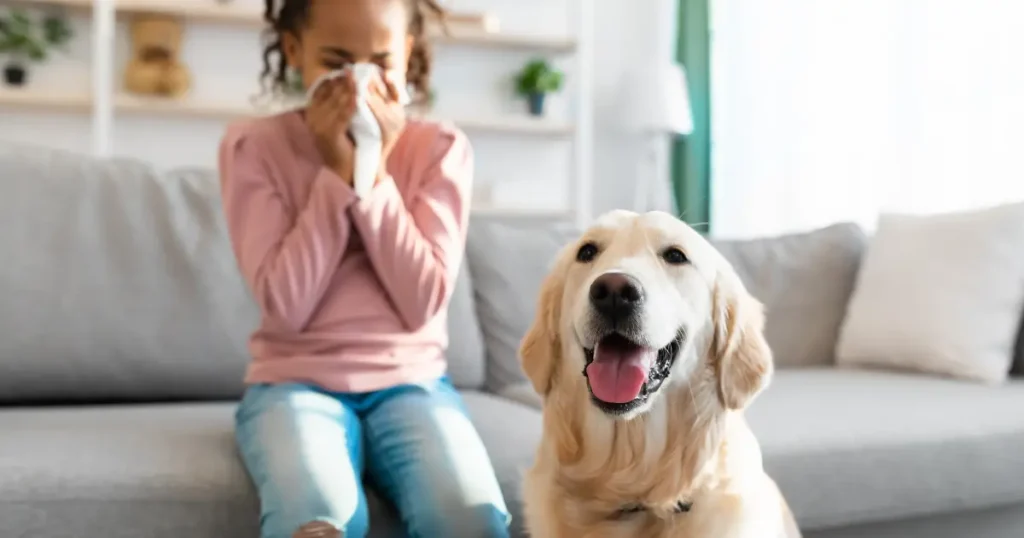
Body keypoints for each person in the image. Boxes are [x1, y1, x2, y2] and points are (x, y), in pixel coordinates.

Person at [216, 1, 510, 537]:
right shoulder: (254, 148)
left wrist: (371, 175)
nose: (358, 82)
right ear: (294, 51)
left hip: (412, 383)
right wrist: (335, 174)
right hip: (293, 383)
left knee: (469, 518)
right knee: (316, 519)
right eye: (335, 59)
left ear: (408, 57)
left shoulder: (440, 149)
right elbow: (285, 307)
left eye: (379, 61)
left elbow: (422, 300)